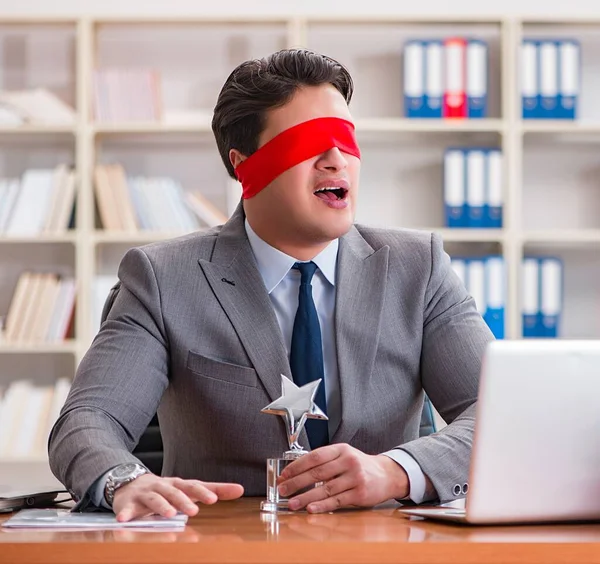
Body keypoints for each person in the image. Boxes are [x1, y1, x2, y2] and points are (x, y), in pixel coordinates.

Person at [48, 49, 493, 522]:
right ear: (244, 165)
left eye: (345, 139)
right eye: (308, 143)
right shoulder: (162, 278)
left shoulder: (418, 268)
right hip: (222, 542)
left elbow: (498, 415)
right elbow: (86, 421)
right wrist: (124, 480)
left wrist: (397, 471)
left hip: (383, 542)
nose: (335, 160)